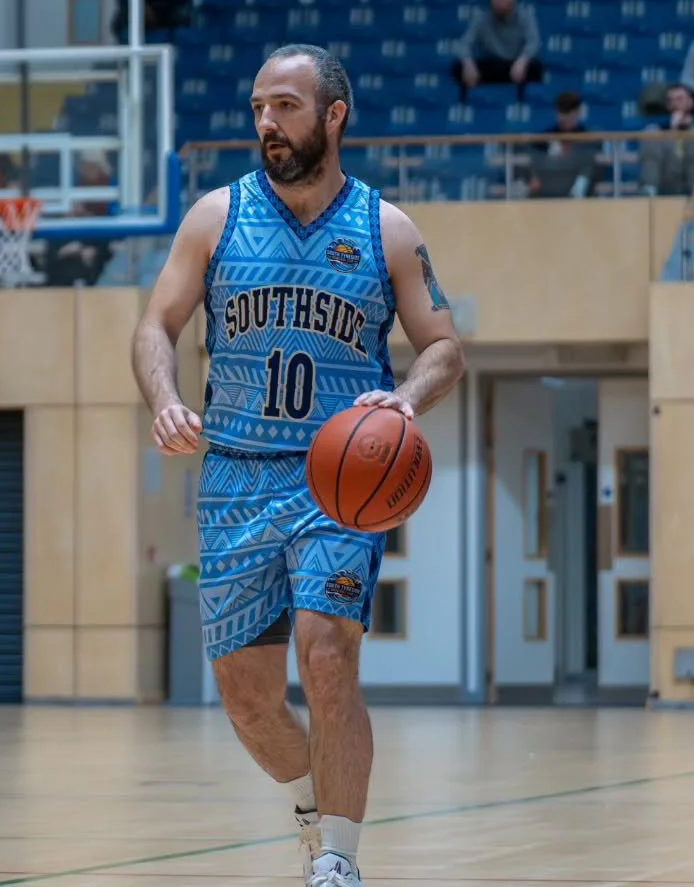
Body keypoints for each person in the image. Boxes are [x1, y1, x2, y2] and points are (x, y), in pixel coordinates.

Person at [130, 44, 466, 887]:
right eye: (257, 109)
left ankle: (340, 861)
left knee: (327, 654)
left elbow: (444, 349)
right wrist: (164, 397)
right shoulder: (214, 218)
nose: (267, 124)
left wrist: (405, 402)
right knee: (245, 696)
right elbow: (152, 327)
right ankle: (320, 811)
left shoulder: (385, 229)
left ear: (333, 115)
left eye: (284, 106)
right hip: (234, 476)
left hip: (337, 482)